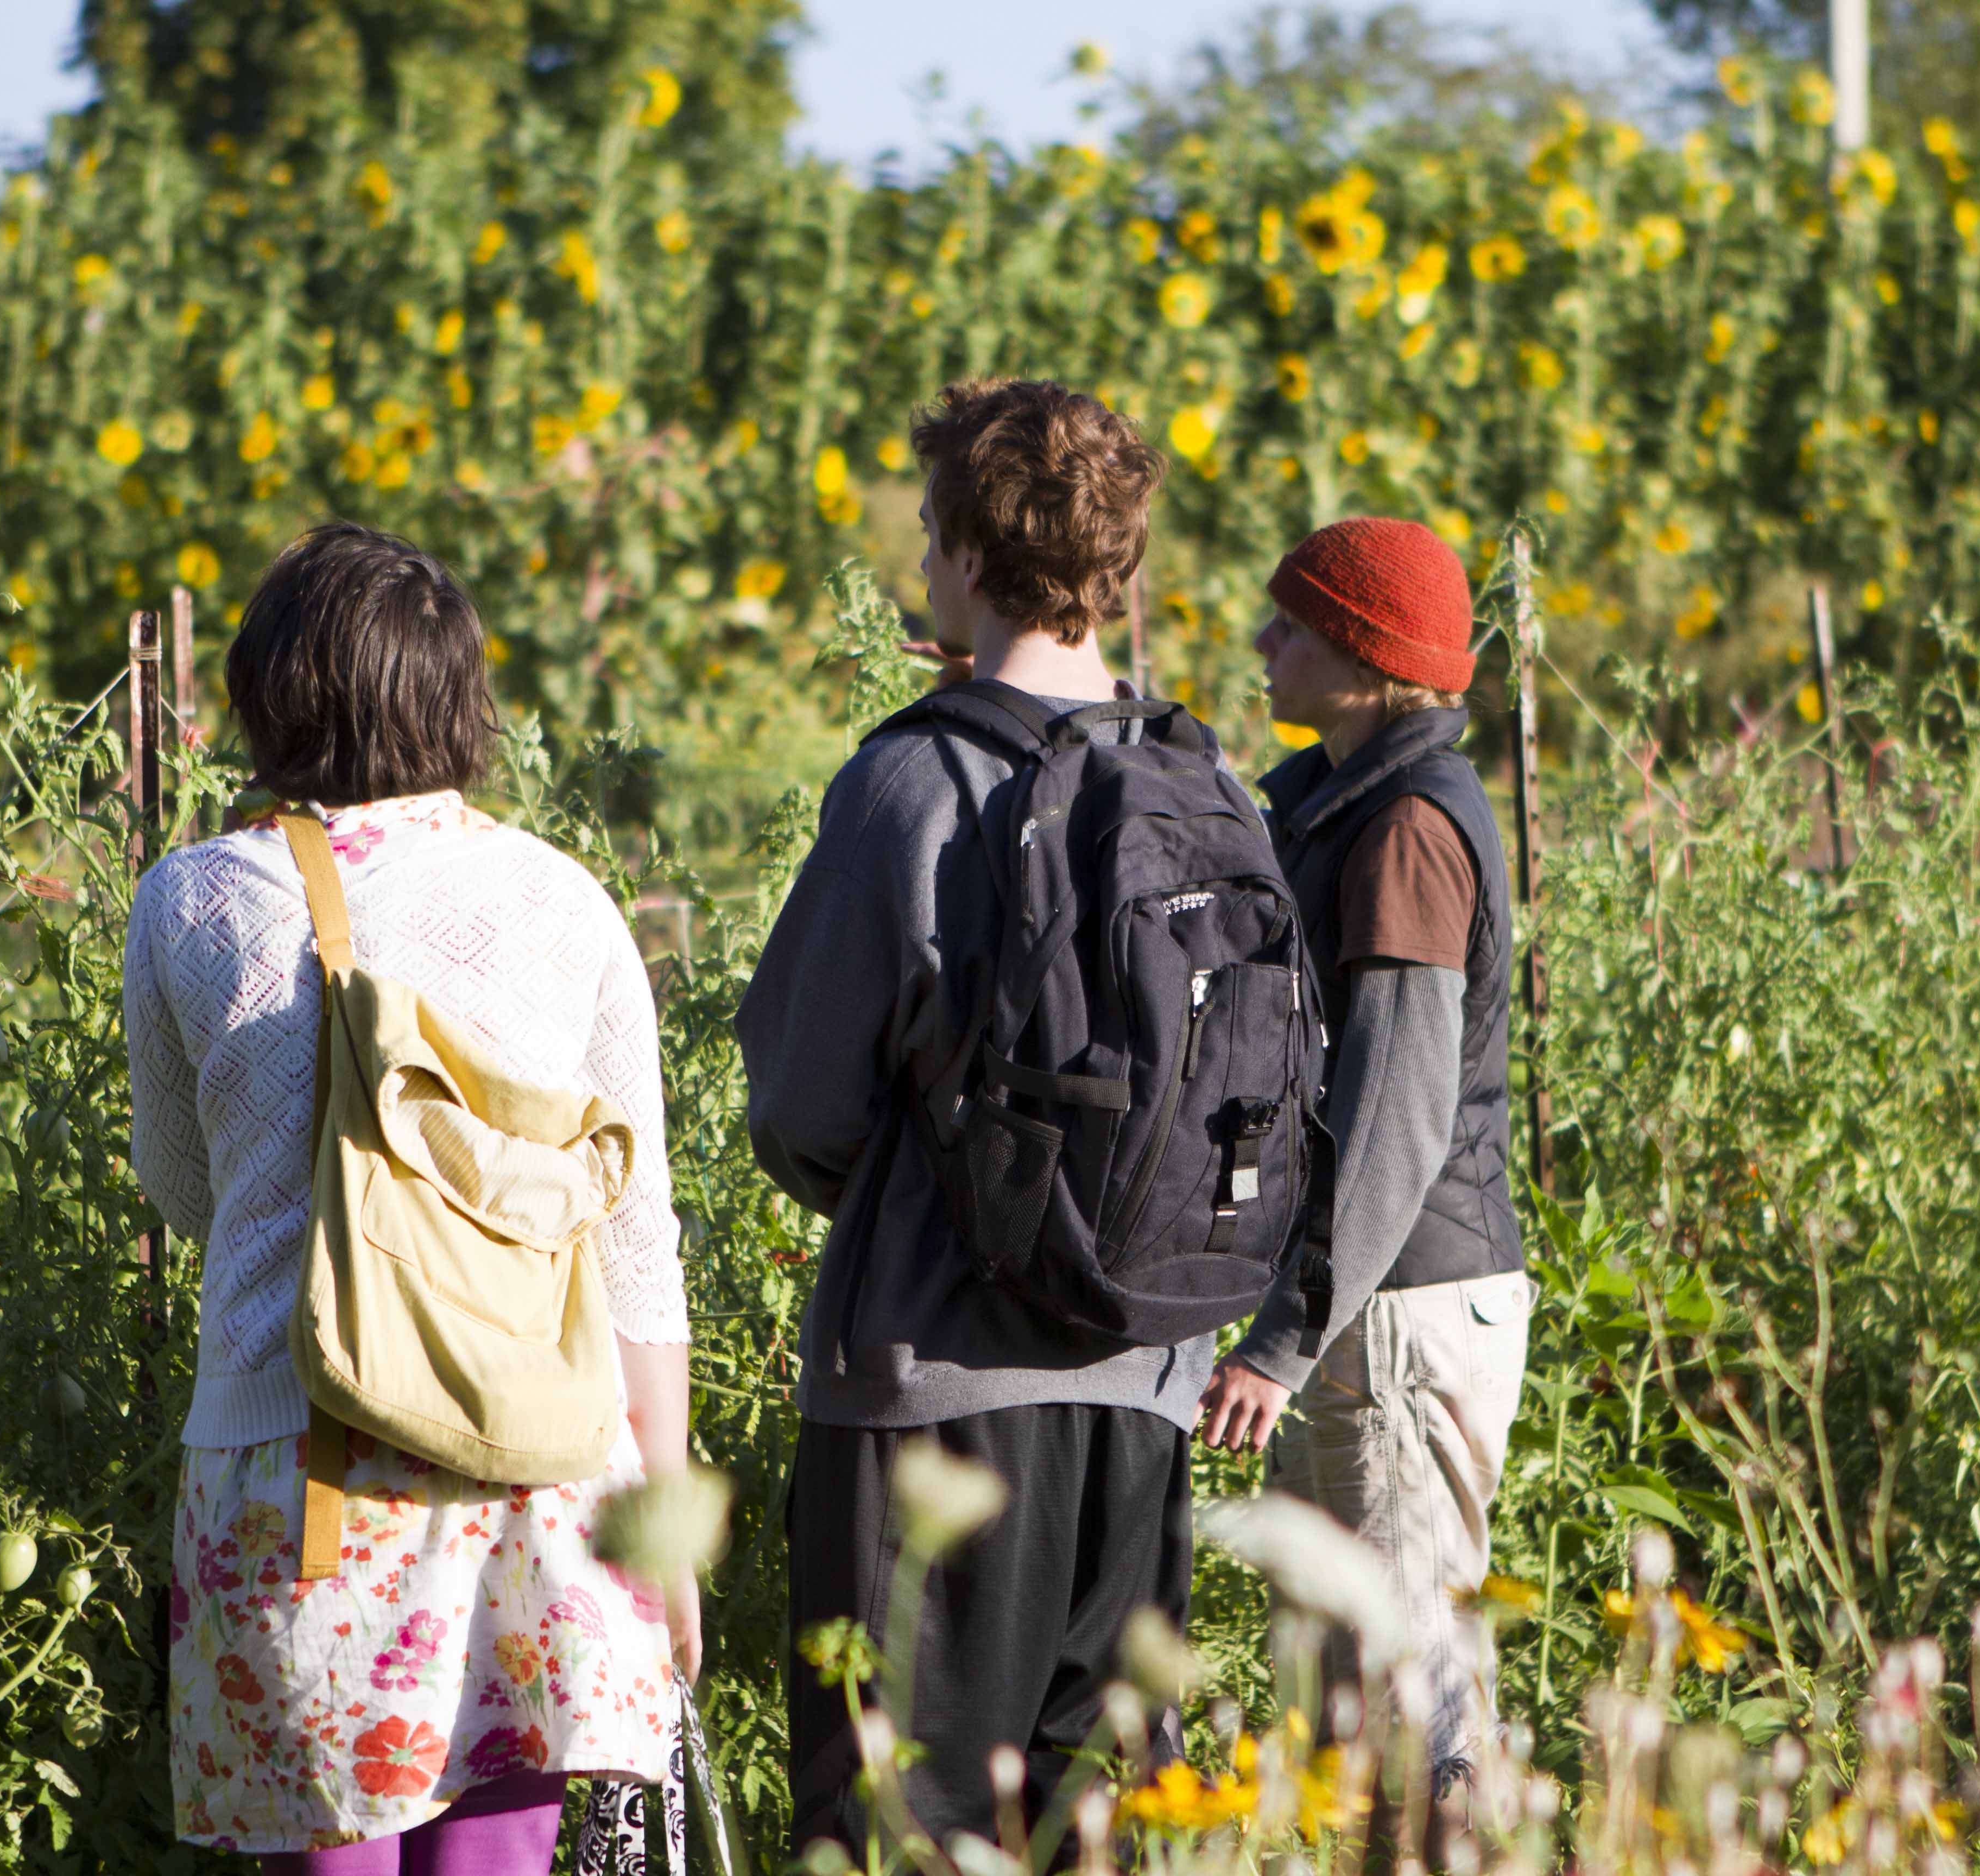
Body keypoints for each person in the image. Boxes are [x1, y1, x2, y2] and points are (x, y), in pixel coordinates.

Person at [125, 522, 698, 1871]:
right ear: (457, 698)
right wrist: (666, 1526)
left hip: (295, 1474)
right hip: (539, 1472)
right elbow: (634, 1246)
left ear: (273, 691)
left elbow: (183, 1189)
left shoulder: (192, 902)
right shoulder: (566, 902)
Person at [737, 378, 1203, 1852]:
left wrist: (953, 1200)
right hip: (1149, 1384)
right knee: (1097, 1828)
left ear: (966, 550)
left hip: (935, 1397)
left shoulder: (912, 780)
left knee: (905, 1828)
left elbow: (801, 1105)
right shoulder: (1199, 780)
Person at [1193, 517, 1532, 1801]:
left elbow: (1397, 1113)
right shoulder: (1343, 802)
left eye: (1293, 624)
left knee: (1410, 1701)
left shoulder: (1406, 834)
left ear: (1368, 659)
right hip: (1377, 1301)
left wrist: (1285, 1341)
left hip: (1393, 1314)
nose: (1264, 640)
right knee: (1355, 1707)